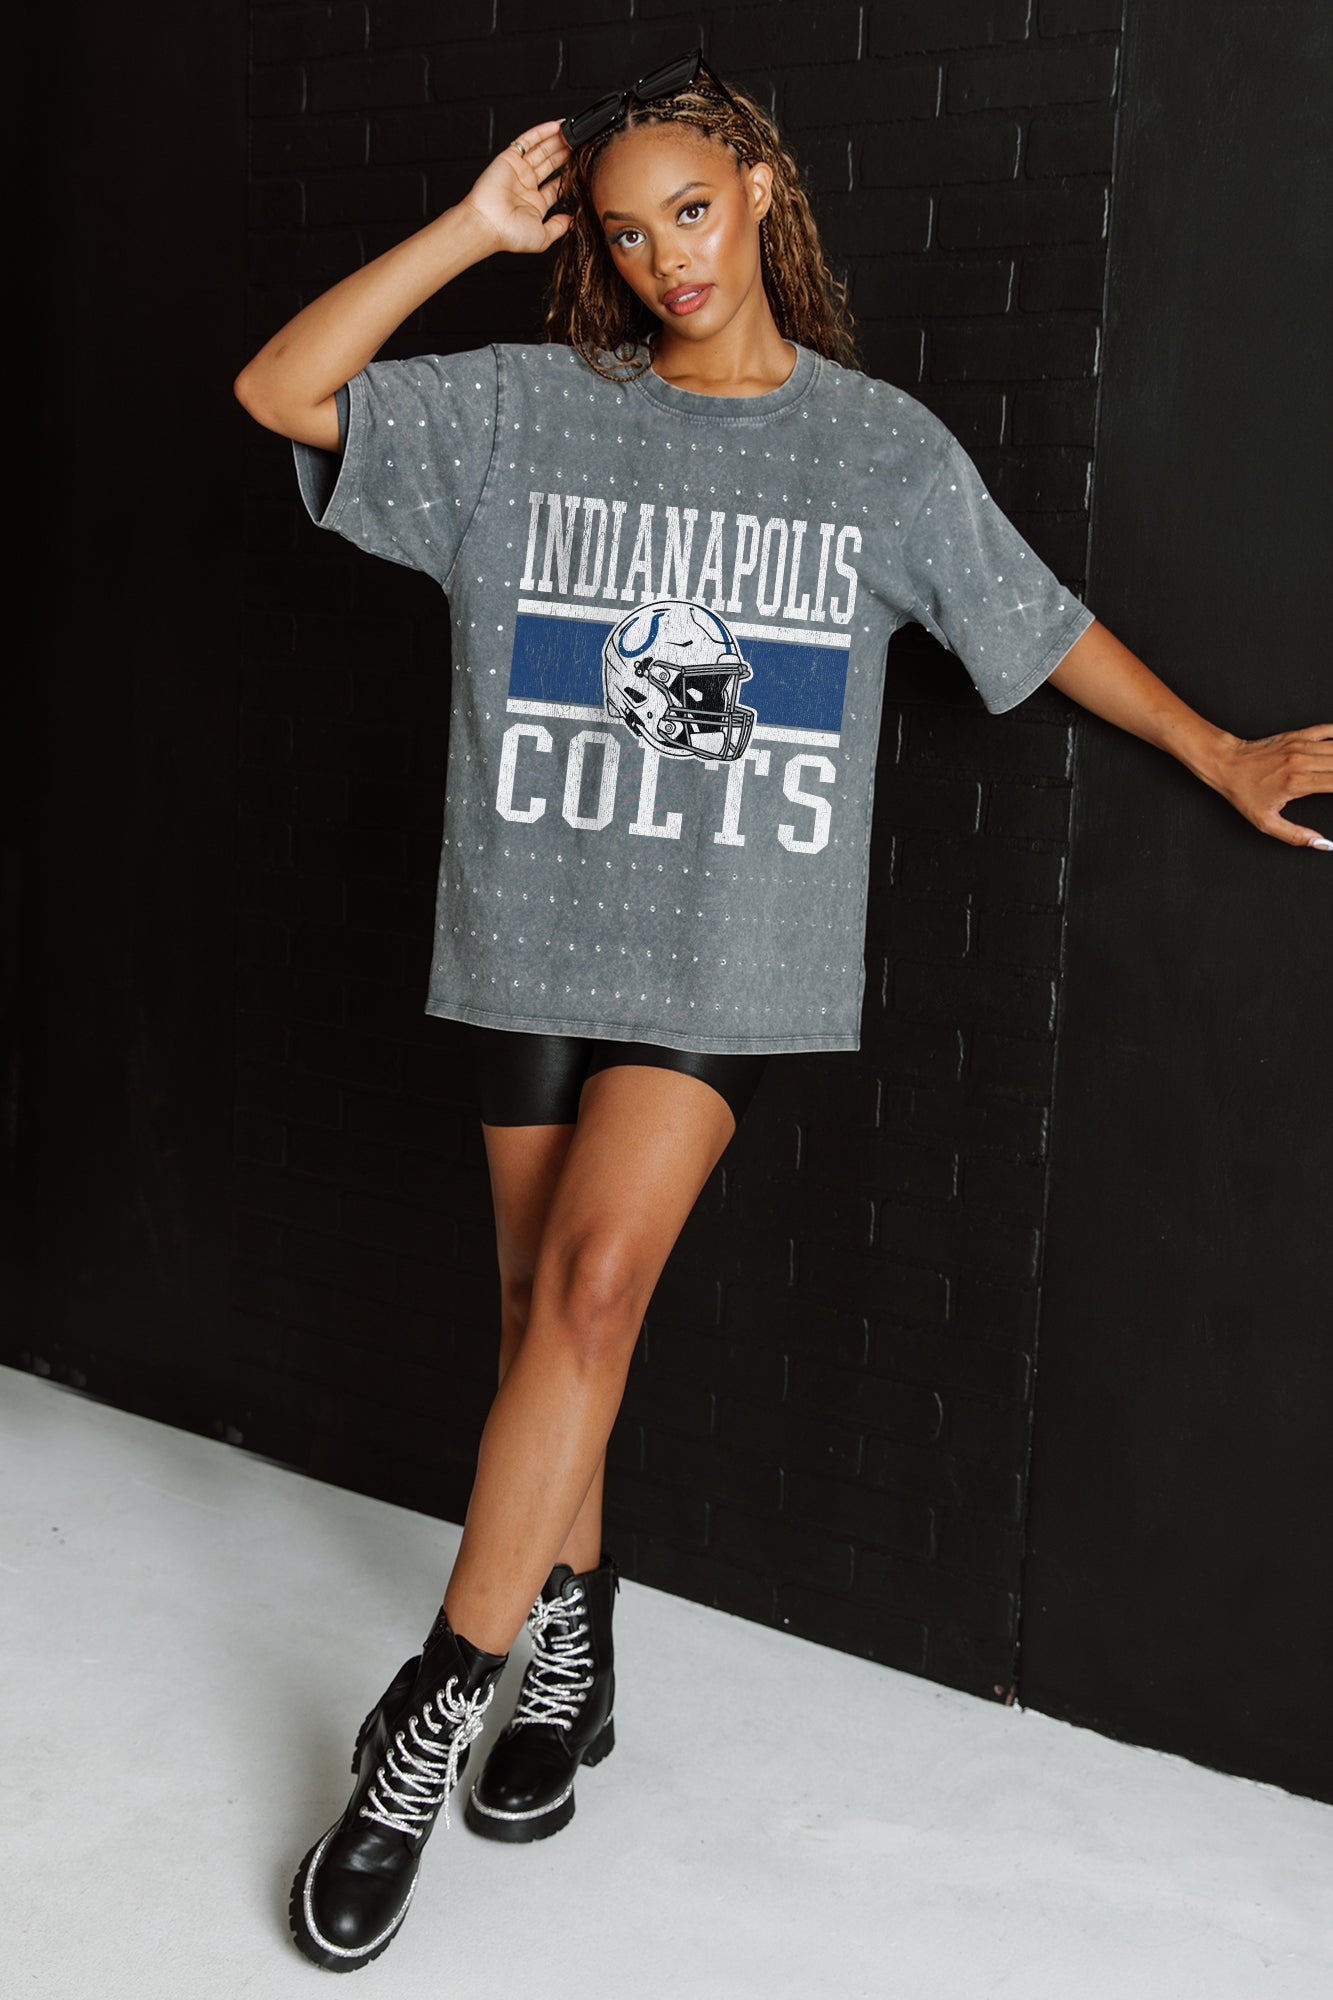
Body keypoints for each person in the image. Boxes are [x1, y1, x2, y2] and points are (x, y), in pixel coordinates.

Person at [234, 48, 1333, 1974]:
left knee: (589, 1296)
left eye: (691, 208)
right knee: (538, 1323)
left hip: (726, 953)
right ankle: (569, 1662)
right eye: (624, 229)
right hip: (526, 924)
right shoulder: (521, 412)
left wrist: (1221, 749)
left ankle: (425, 1719)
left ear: (756, 188)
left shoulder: (873, 450)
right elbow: (279, 392)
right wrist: (472, 230)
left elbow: (1034, 619)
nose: (666, 255)